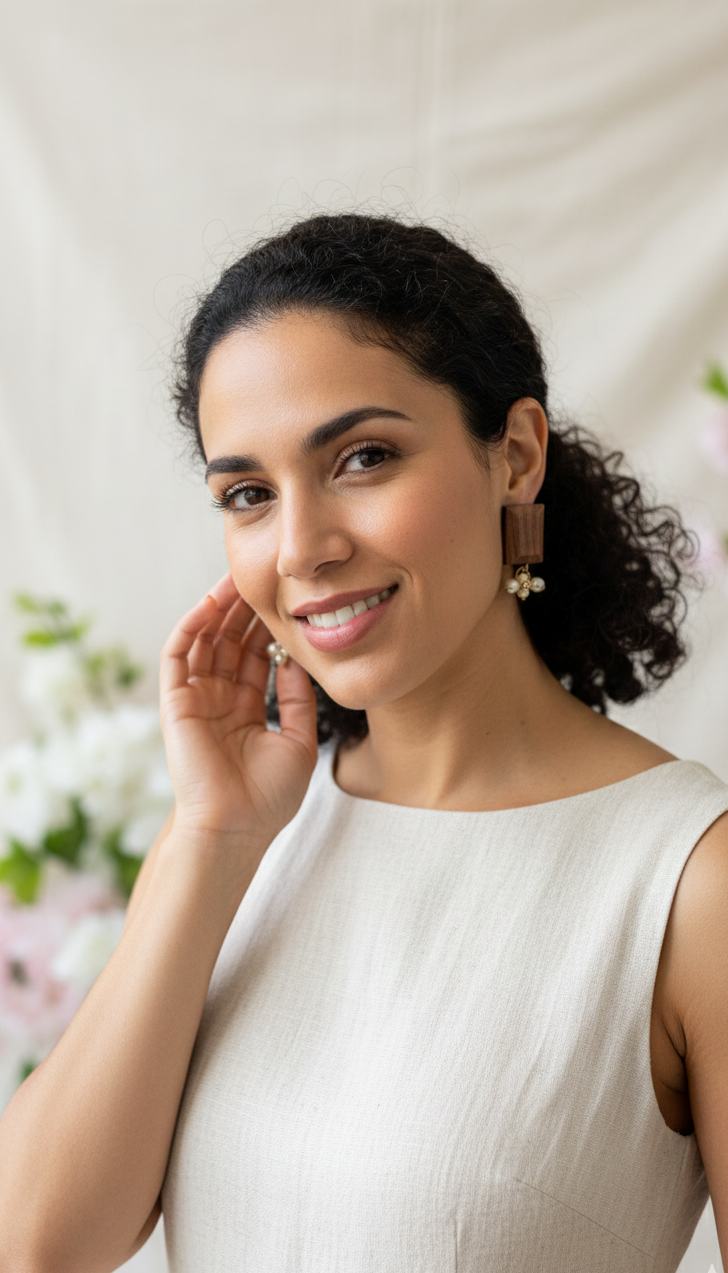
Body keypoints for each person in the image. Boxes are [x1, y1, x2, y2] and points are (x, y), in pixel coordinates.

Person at [1, 214, 727, 1273]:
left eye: (363, 458)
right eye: (249, 494)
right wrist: (211, 839)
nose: (301, 548)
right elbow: (34, 1242)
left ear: (515, 456)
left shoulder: (688, 882)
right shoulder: (246, 837)